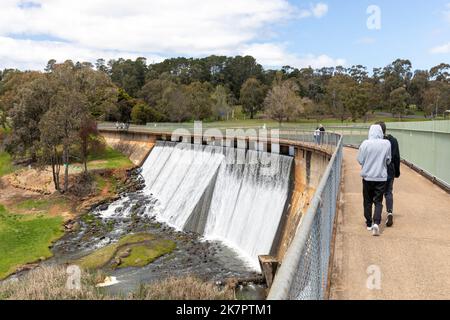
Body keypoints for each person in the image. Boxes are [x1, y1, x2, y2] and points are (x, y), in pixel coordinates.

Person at [357, 124, 391, 236]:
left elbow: (360, 160)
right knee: (378, 201)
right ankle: (376, 222)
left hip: (367, 177)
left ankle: (368, 223)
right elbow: (388, 160)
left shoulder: (365, 143)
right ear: (381, 132)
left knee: (367, 201)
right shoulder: (386, 143)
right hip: (381, 177)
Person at [376, 122, 401, 227]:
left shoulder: (377, 142)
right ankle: (390, 212)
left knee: (378, 193)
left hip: (379, 170)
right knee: (388, 192)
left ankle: (377, 216)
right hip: (390, 170)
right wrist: (397, 171)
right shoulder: (393, 140)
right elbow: (397, 157)